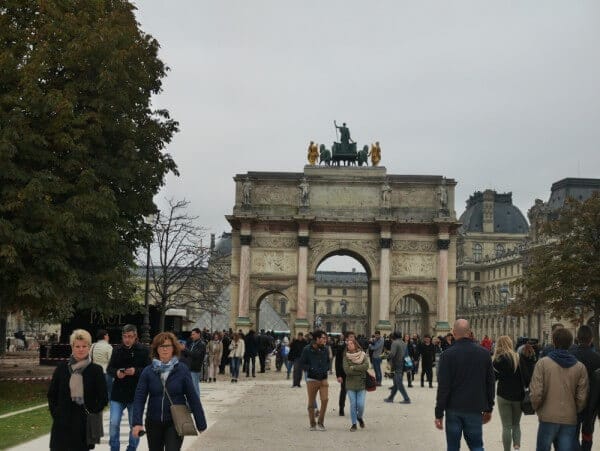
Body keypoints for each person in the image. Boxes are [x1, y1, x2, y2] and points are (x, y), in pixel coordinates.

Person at [132, 332, 207, 450]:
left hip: (175, 421)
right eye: (161, 346)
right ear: (156, 349)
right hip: (153, 421)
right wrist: (137, 423)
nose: (165, 349)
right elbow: (139, 398)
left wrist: (201, 423)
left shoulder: (182, 370)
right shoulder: (148, 371)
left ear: (174, 348)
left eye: (168, 346)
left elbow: (192, 397)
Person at [435, 319, 495, 451]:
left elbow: (443, 387)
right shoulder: (484, 354)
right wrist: (489, 407)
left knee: (453, 447)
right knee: (477, 446)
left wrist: (439, 413)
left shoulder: (447, 355)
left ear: (454, 333)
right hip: (475, 407)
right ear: (469, 332)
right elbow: (490, 383)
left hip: (453, 408)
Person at [48, 329, 108, 451]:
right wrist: (57, 414)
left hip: (83, 427)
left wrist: (91, 413)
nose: (81, 349)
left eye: (84, 346)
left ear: (89, 347)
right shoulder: (61, 368)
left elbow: (103, 398)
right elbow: (52, 395)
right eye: (77, 346)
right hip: (62, 425)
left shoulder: (95, 370)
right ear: (72, 347)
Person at [530, 327, 588, 450]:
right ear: (571, 343)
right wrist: (574, 408)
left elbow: (536, 393)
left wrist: (538, 408)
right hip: (569, 417)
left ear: (553, 342)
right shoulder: (580, 367)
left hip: (547, 416)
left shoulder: (543, 363)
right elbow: (582, 397)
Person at [107, 324, 150, 451]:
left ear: (135, 336)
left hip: (136, 394)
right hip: (118, 393)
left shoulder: (144, 350)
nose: (127, 339)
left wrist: (135, 371)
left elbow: (149, 370)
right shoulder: (117, 349)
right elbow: (110, 368)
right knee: (114, 423)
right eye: (125, 337)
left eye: (130, 337)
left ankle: (131, 448)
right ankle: (114, 448)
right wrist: (116, 373)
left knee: (134, 424)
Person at [492, 335, 525, 451]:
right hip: (518, 395)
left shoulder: (497, 360)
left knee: (506, 426)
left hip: (503, 395)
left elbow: (493, 379)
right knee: (516, 424)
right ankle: (517, 447)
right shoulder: (518, 357)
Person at [571, 325, 600, 451]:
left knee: (573, 433)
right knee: (588, 433)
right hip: (591, 402)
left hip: (573, 401)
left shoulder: (571, 356)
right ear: (591, 339)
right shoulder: (597, 358)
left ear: (577, 338)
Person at [299, 330, 330, 431]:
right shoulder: (307, 349)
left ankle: (321, 422)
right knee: (311, 403)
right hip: (312, 379)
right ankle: (313, 423)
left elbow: (328, 361)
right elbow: (302, 363)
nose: (325, 340)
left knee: (325, 400)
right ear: (317, 339)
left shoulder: (325, 349)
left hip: (323, 379)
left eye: (325, 338)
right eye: (323, 338)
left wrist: (326, 368)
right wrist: (311, 368)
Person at [342, 336, 369, 431]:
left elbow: (366, 366)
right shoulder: (346, 357)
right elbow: (347, 371)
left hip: (362, 383)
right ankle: (354, 424)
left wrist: (353, 367)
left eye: (351, 343)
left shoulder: (363, 354)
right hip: (350, 384)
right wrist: (359, 369)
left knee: (360, 405)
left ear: (355, 344)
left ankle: (359, 417)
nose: (349, 345)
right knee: (353, 404)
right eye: (347, 344)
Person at [384, 332, 411, 404]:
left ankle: (406, 398)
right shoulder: (403, 343)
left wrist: (386, 355)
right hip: (403, 364)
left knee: (398, 382)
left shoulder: (395, 343)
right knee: (396, 382)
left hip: (397, 364)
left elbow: (392, 354)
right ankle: (390, 398)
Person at [335, 331, 356, 416]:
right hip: (344, 373)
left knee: (354, 392)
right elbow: (337, 362)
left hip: (354, 373)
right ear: (346, 338)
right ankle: (341, 408)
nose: (353, 338)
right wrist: (338, 375)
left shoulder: (357, 348)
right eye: (351, 337)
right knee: (344, 391)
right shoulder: (341, 347)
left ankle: (354, 409)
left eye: (353, 337)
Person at [91, 329, 113, 399]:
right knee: (108, 392)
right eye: (108, 335)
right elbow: (111, 360)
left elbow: (89, 358)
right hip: (106, 373)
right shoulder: (108, 347)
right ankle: (107, 406)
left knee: (96, 392)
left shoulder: (93, 346)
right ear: (105, 336)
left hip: (94, 373)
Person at [183, 328, 206, 397]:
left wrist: (185, 349)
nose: (192, 336)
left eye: (193, 334)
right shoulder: (193, 343)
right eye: (191, 334)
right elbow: (188, 354)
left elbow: (195, 355)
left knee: (195, 387)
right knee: (190, 387)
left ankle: (196, 404)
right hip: (189, 367)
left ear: (198, 334)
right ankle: (191, 403)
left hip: (195, 368)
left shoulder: (201, 344)